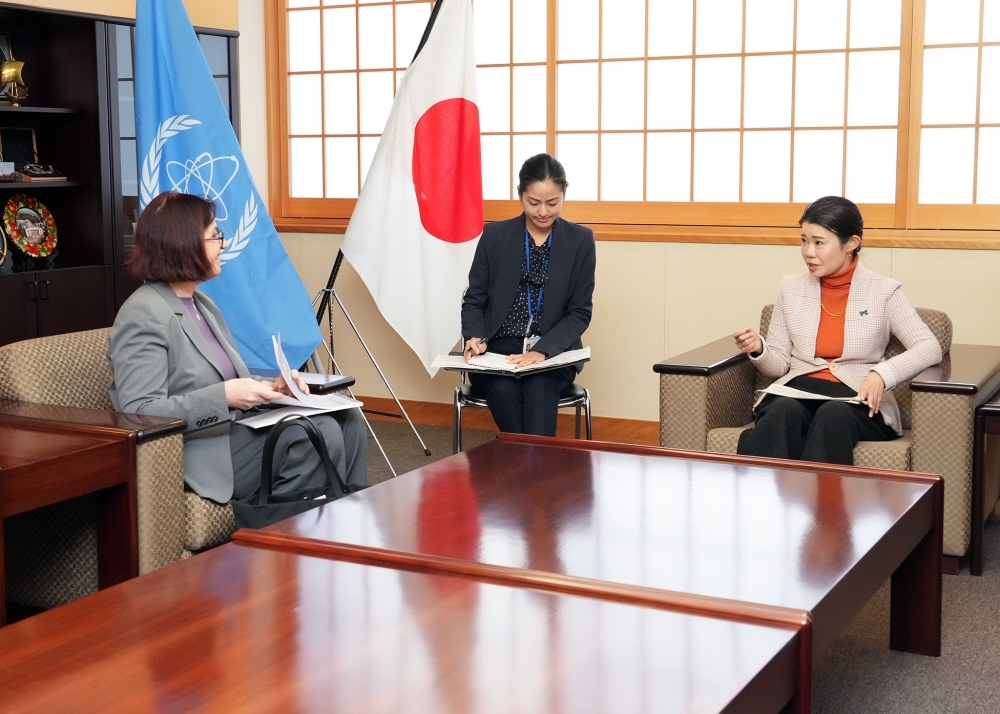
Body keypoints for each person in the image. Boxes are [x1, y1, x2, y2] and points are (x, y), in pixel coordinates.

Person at [108, 191, 367, 504]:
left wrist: (273, 387)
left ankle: (344, 527)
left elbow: (228, 377)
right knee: (313, 434)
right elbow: (138, 412)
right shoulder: (144, 312)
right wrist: (224, 397)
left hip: (236, 429)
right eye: (215, 235)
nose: (225, 243)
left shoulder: (203, 303)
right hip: (198, 449)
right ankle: (286, 540)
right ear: (184, 244)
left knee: (348, 420)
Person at [733, 196, 942, 465]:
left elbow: (929, 346)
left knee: (833, 414)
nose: (808, 251)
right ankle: (762, 502)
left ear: (851, 244)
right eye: (804, 240)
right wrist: (759, 349)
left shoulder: (884, 290)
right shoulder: (791, 288)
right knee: (781, 411)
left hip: (856, 399)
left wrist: (882, 374)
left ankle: (821, 505)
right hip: (798, 391)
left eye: (819, 242)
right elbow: (779, 366)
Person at [461, 153, 596, 436]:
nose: (543, 211)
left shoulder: (580, 241)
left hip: (552, 352)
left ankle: (526, 472)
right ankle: (538, 472)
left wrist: (541, 351)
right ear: (520, 194)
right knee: (503, 390)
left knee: (539, 387)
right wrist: (474, 335)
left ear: (564, 195)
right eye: (534, 202)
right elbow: (475, 299)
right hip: (497, 353)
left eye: (552, 202)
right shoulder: (495, 236)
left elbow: (579, 312)